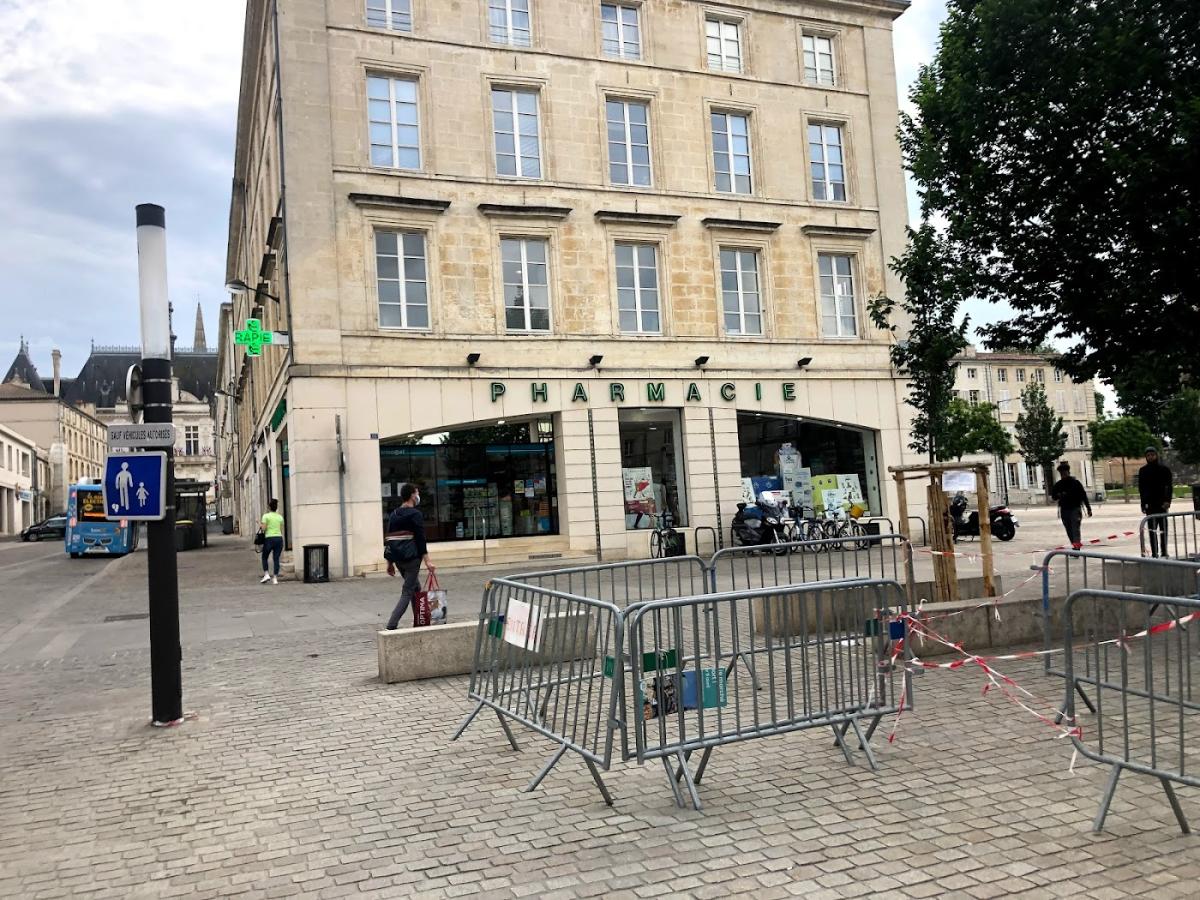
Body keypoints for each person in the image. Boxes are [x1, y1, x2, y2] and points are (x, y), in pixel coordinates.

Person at [385, 483, 434, 629]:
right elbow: (420, 538)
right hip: (412, 559)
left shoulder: (394, 514)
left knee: (415, 588)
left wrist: (389, 563)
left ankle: (420, 621)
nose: (418, 495)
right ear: (413, 495)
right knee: (407, 591)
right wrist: (428, 561)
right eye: (417, 492)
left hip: (399, 559)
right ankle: (391, 624)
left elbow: (388, 539)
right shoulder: (415, 514)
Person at [1138, 446, 1173, 558]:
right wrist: (1143, 504)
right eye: (1148, 455)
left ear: (1156, 455)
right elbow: (1141, 489)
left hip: (1162, 504)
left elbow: (1169, 486)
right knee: (1152, 531)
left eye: (1152, 455)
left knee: (1163, 530)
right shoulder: (1143, 471)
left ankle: (1164, 551)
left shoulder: (1164, 470)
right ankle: (1154, 552)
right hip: (1150, 505)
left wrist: (1168, 500)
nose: (1150, 457)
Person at [1050, 461, 1092, 550]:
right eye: (1061, 473)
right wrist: (1060, 495)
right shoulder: (1058, 485)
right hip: (1064, 510)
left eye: (1064, 472)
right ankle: (1074, 545)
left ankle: (1076, 548)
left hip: (1075, 509)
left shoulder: (1075, 483)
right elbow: (1053, 496)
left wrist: (1088, 508)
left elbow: (1083, 495)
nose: (1063, 474)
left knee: (1075, 528)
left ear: (1068, 472)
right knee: (1068, 529)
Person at [258, 499, 285, 585]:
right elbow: (281, 529)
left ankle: (266, 574)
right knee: (276, 558)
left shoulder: (266, 516)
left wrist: (259, 523)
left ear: (269, 507)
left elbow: (263, 529)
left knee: (264, 557)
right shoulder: (280, 517)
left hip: (269, 539)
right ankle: (275, 578)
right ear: (276, 508)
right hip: (278, 539)